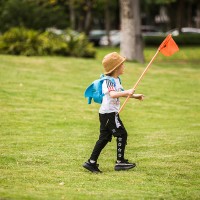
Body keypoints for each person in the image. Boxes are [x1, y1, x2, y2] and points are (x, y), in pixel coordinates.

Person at [83, 52, 144, 173]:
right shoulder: (108, 81)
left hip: (108, 113)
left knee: (104, 138)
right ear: (116, 68)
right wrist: (127, 92)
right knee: (122, 134)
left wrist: (135, 96)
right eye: (122, 65)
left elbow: (120, 93)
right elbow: (113, 94)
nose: (124, 67)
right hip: (109, 114)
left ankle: (91, 162)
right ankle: (120, 162)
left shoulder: (116, 80)